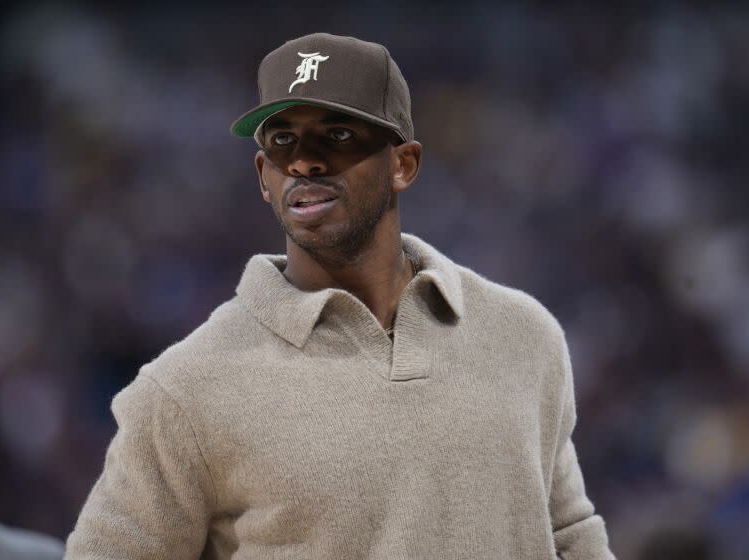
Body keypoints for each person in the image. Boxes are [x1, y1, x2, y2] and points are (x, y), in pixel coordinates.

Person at [65, 32, 615, 559]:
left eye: (338, 135)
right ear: (263, 176)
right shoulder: (185, 390)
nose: (304, 161)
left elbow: (567, 531)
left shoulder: (522, 334)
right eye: (283, 140)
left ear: (404, 164)